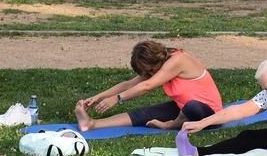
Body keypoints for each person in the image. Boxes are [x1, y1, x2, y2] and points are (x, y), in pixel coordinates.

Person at [74, 40, 222, 132]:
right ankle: (91, 124)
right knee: (144, 113)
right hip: (182, 109)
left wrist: (116, 99)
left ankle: (169, 125)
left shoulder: (179, 60)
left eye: (151, 70)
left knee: (192, 107)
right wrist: (98, 97)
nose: (150, 74)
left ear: (158, 58)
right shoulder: (159, 64)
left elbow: (147, 86)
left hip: (209, 115)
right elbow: (129, 84)